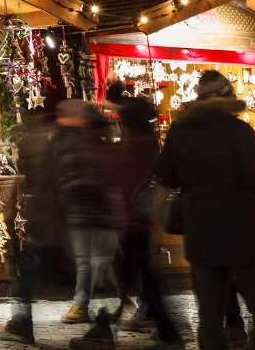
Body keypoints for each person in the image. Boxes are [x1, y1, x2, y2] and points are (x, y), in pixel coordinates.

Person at [157, 70, 255, 350]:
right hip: (244, 234)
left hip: (203, 234)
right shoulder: (238, 131)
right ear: (229, 98)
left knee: (210, 315)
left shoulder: (180, 132)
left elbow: (165, 175)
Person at [106, 84, 182, 347]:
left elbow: (122, 177)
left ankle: (106, 328)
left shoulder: (133, 146)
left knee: (132, 274)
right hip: (138, 218)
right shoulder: (148, 144)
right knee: (140, 273)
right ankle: (162, 325)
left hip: (133, 218)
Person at [52, 99, 124, 350]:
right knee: (98, 261)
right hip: (93, 213)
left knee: (95, 262)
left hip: (87, 212)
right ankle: (101, 311)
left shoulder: (76, 145)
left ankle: (93, 310)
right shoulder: (99, 145)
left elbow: (72, 177)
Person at [0, 107, 60, 345]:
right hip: (47, 216)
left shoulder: (36, 144)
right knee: (31, 269)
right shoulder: (50, 143)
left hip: (43, 217)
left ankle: (22, 323)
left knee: (29, 270)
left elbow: (33, 178)